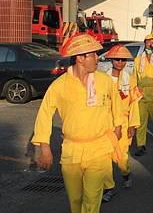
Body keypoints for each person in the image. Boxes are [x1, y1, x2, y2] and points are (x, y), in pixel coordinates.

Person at [32, 34, 123, 213]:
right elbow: (44, 113)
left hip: (99, 149)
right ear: (81, 58)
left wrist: (118, 127)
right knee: (75, 200)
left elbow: (116, 103)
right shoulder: (60, 85)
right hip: (71, 150)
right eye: (94, 55)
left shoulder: (104, 81)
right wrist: (44, 147)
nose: (98, 58)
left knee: (92, 199)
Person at [102, 45, 141, 202]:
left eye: (123, 60)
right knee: (104, 157)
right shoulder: (102, 78)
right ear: (111, 60)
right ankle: (108, 188)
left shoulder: (130, 79)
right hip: (106, 123)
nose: (120, 62)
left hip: (124, 122)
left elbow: (134, 103)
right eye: (117, 59)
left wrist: (133, 125)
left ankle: (126, 174)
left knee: (122, 157)